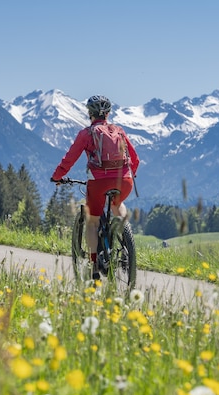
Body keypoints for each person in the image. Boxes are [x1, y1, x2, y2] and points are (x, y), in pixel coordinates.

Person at [51, 95, 139, 279]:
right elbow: (135, 159)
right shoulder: (120, 131)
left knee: (92, 221)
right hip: (125, 181)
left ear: (89, 113)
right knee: (116, 204)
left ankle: (94, 267)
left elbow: (69, 159)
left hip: (98, 182)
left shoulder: (86, 134)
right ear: (108, 113)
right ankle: (125, 239)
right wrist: (130, 175)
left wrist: (57, 176)